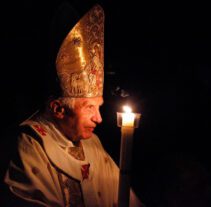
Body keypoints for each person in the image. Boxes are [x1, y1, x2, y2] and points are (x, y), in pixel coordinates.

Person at [3, 2, 144, 207]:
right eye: (89, 107)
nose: (99, 118)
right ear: (58, 109)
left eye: (99, 106)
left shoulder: (92, 143)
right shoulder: (28, 146)